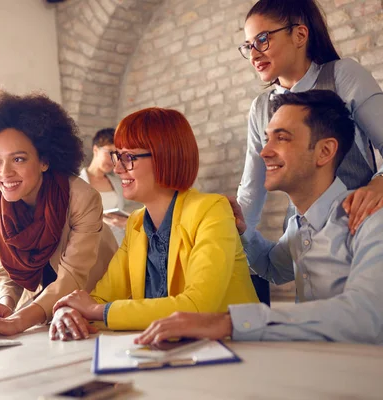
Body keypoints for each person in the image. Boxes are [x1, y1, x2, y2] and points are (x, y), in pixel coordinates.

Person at [136, 90, 383, 348]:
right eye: (266, 138)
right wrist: (242, 231)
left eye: (282, 138)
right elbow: (272, 268)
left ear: (325, 151)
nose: (264, 152)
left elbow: (368, 316)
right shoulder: (299, 225)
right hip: (331, 365)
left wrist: (229, 322)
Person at [49, 107, 259, 341]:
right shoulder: (136, 224)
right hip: (169, 354)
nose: (117, 169)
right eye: (118, 156)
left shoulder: (212, 210)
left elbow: (198, 307)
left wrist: (97, 311)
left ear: (164, 156)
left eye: (128, 157)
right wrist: (69, 310)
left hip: (235, 354)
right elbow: (100, 296)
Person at [236, 0, 383, 238]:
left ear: (300, 35)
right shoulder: (261, 108)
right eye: (248, 46)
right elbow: (251, 193)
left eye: (262, 40)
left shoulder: (343, 76)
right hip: (304, 245)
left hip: (363, 234)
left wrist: (381, 185)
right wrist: (233, 234)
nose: (254, 55)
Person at [0, 90, 118, 338]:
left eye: (19, 159)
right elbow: (6, 263)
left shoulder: (81, 197)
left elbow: (73, 277)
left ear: (44, 160)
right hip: (40, 303)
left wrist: (17, 322)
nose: (5, 173)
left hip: (91, 296)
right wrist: (4, 303)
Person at [79, 128, 140, 244]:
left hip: (115, 245)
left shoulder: (118, 182)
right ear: (95, 149)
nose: (114, 160)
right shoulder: (75, 181)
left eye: (118, 155)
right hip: (86, 246)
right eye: (109, 153)